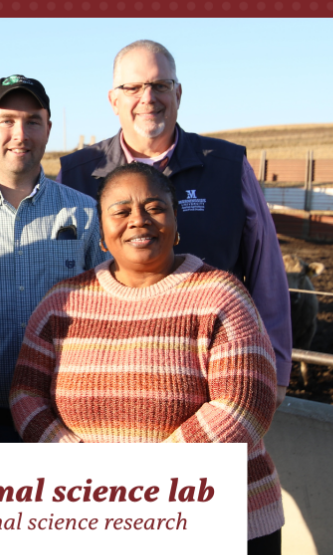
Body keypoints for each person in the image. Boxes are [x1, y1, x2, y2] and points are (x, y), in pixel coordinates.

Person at [10, 162, 284, 555]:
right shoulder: (62, 301)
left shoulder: (220, 295)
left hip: (216, 525)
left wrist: (146, 485)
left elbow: (244, 406)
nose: (138, 220)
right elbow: (25, 391)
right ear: (102, 235)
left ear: (176, 223)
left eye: (155, 208)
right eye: (121, 211)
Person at [57, 39, 292, 408]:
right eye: (132, 87)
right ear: (113, 99)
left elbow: (266, 269)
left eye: (159, 85)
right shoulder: (77, 175)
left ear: (178, 93)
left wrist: (275, 366)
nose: (147, 97)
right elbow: (62, 277)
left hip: (212, 375)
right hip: (107, 376)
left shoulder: (227, 167)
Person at [0, 75, 109, 443]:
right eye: (6, 121)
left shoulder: (86, 214)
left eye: (32, 122)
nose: (20, 133)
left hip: (65, 425)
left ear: (48, 130)